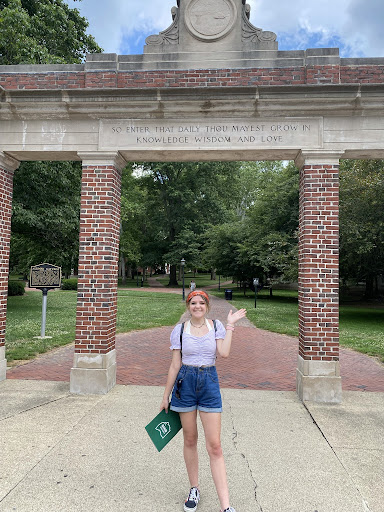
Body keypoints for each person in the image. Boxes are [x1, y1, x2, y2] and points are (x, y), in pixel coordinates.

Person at [160, 290, 247, 512]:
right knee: (190, 440)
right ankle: (194, 488)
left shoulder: (216, 326)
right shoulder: (179, 331)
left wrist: (230, 325)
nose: (197, 306)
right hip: (185, 385)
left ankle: (225, 506)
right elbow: (174, 365)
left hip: (209, 383)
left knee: (215, 446)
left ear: (207, 306)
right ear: (188, 306)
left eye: (201, 303)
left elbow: (224, 353)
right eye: (193, 303)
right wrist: (165, 396)